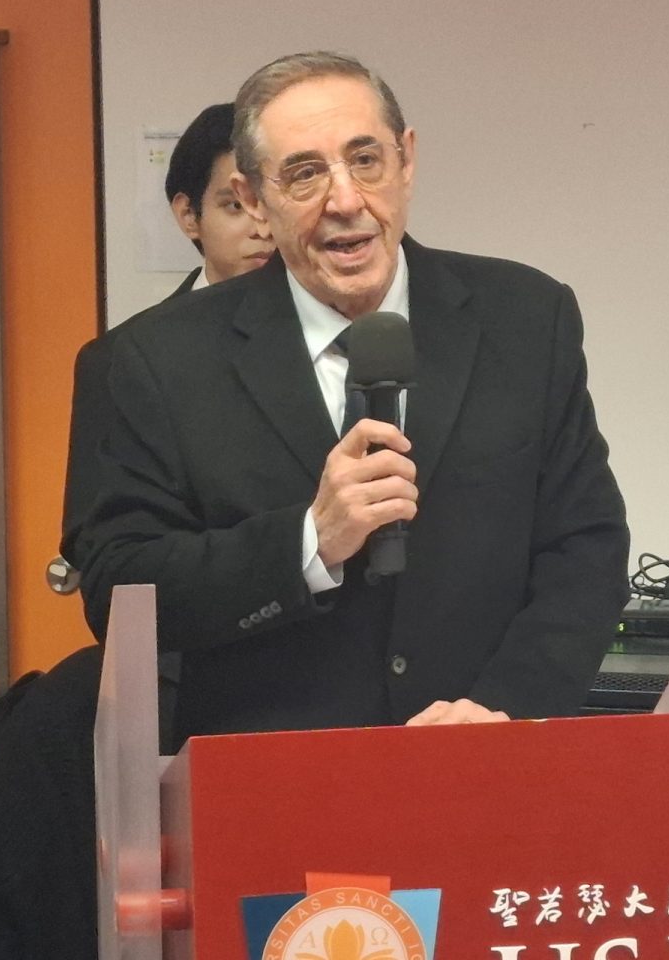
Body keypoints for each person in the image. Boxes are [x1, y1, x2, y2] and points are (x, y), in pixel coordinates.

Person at [79, 52, 628, 742]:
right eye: (304, 174)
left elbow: (585, 545)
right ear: (254, 199)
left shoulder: (525, 317)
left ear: (406, 161)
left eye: (365, 160)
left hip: (486, 756)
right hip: (272, 780)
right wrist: (309, 542)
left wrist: (504, 708)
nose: (344, 201)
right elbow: (119, 589)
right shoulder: (154, 361)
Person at [58, 102, 271, 567]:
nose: (262, 227)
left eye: (272, 204)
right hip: (192, 605)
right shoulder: (120, 358)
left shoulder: (349, 338)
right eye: (236, 206)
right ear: (188, 215)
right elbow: (100, 545)